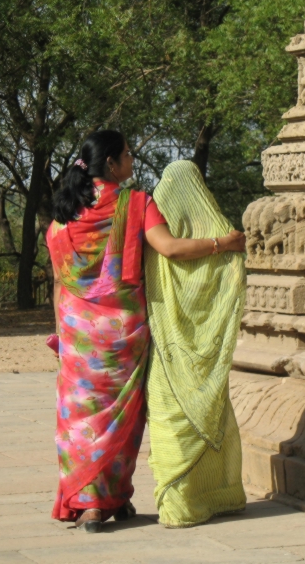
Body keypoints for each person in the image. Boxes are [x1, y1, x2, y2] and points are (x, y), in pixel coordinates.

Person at [47, 132, 244, 533]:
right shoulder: (135, 204)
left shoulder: (64, 215)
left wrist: (61, 335)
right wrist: (223, 243)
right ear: (112, 166)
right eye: (127, 154)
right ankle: (108, 499)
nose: (132, 160)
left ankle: (91, 502)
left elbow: (57, 281)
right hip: (122, 331)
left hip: (77, 332)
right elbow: (169, 248)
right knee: (122, 417)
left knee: (80, 418)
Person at [144, 159, 248, 528]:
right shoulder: (219, 235)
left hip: (168, 347)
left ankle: (182, 505)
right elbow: (230, 276)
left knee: (170, 420)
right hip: (201, 355)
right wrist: (223, 245)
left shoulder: (151, 219)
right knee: (202, 414)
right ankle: (214, 496)